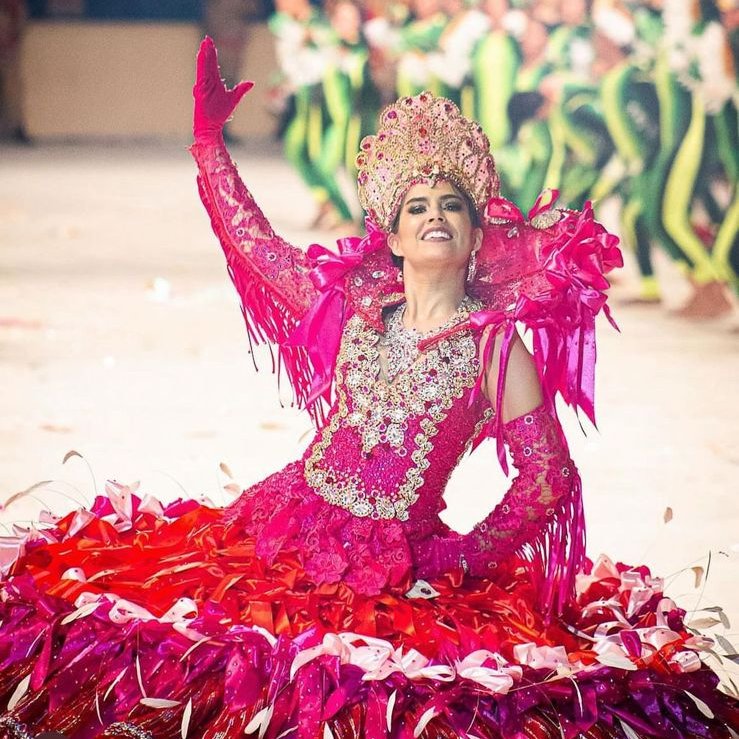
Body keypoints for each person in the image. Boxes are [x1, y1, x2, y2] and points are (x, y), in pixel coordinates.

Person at [0, 37, 737, 739]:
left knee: (361, 694)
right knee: (210, 657)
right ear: (391, 235)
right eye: (416, 207)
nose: (434, 217)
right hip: (287, 524)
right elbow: (256, 249)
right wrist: (208, 146)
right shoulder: (354, 302)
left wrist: (461, 559)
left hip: (395, 565)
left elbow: (547, 476)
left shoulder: (493, 344)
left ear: (476, 233)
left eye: (451, 205)